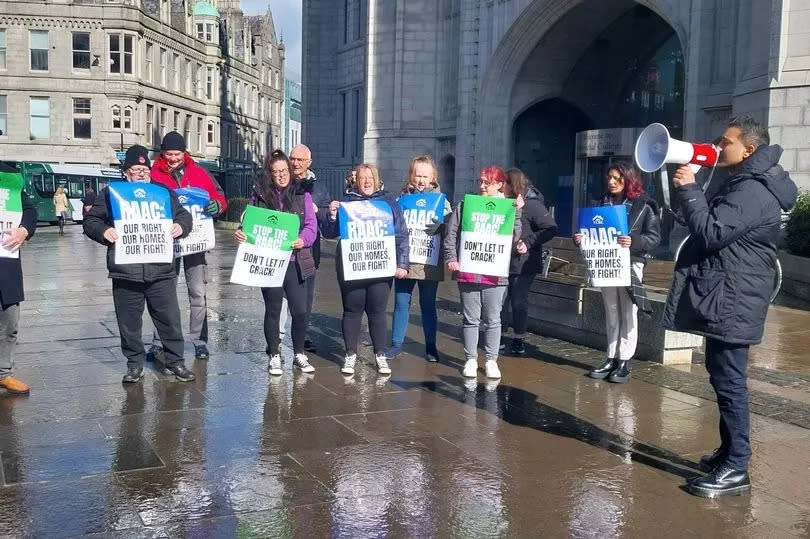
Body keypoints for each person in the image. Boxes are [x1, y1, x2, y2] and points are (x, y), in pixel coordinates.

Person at [664, 116, 797, 498]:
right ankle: (728, 454)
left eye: (726, 142)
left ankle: (737, 467)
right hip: (728, 294)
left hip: (735, 298)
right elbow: (704, 223)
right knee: (722, 376)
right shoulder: (741, 182)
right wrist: (688, 191)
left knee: (730, 382)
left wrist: (691, 189)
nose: (718, 147)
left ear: (749, 150)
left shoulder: (753, 190)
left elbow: (712, 232)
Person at [83, 145, 196, 383]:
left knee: (169, 320)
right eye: (136, 169)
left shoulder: (163, 192)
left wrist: (181, 226)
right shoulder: (111, 193)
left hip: (161, 270)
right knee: (129, 322)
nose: (142, 174)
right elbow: (91, 220)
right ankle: (134, 364)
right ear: (126, 173)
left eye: (146, 169)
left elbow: (184, 216)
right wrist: (104, 231)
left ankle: (176, 361)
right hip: (126, 271)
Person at [574, 161, 660, 383]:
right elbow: (590, 231)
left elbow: (654, 237)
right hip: (607, 263)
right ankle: (611, 356)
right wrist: (580, 238)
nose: (611, 182)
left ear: (628, 179)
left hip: (631, 263)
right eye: (609, 177)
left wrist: (635, 241)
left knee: (628, 311)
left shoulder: (644, 204)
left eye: (617, 178)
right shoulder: (602, 204)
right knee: (611, 310)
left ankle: (625, 360)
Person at [234, 150, 318, 376]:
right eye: (275, 172)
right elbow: (248, 223)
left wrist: (304, 240)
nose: (281, 176)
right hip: (269, 262)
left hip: (294, 260)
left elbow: (311, 225)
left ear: (290, 171)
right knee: (273, 309)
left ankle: (299, 352)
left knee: (300, 310)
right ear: (269, 174)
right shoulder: (260, 194)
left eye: (284, 171)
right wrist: (241, 233)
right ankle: (274, 353)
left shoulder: (303, 194)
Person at [322, 164, 409, 376]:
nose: (367, 182)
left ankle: (380, 355)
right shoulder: (346, 202)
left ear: (377, 180)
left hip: (380, 265)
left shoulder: (389, 203)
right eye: (363, 178)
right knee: (352, 311)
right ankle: (350, 353)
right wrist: (332, 216)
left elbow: (401, 234)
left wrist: (402, 263)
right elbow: (330, 233)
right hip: (353, 266)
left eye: (371, 177)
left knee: (377, 312)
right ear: (356, 181)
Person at [148, 131, 228, 360]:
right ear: (162, 154)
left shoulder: (200, 173)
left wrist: (218, 206)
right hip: (166, 244)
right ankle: (159, 340)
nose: (173, 158)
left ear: (185, 153)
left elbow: (220, 198)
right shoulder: (154, 174)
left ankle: (199, 341)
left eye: (177, 154)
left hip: (196, 242)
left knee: (198, 292)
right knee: (162, 293)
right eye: (169, 154)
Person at [443, 166, 522, 380]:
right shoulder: (466, 204)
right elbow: (452, 233)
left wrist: (518, 213)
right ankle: (470, 358)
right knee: (470, 318)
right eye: (480, 182)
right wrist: (451, 258)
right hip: (468, 270)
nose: (482, 186)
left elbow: (514, 238)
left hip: (495, 273)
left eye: (487, 182)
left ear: (499, 184)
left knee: (493, 319)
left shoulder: (509, 207)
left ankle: (491, 360)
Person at [387, 155, 452, 362]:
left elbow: (453, 226)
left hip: (428, 260)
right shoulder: (401, 199)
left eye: (425, 176)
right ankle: (396, 344)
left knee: (427, 304)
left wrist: (443, 225)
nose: (421, 180)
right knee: (401, 302)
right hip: (405, 259)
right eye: (418, 176)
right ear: (411, 176)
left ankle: (431, 346)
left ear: (433, 177)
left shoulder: (442, 201)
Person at [500, 168, 558, 355]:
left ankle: (518, 338)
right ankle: (499, 334)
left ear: (513, 185)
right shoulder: (503, 202)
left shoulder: (532, 205)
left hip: (523, 262)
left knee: (518, 300)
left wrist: (528, 242)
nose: (502, 187)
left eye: (505, 184)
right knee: (500, 300)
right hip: (501, 259)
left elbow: (550, 228)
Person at [0, 162, 37, 395]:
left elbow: (30, 210)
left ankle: (3, 373)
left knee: (10, 323)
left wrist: (24, 229)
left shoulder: (10, 176)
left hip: (6, 262)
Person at [288, 144, 329, 353]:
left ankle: (302, 337)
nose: (295, 163)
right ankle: (276, 339)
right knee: (279, 296)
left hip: (308, 253)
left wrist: (318, 211)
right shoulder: (281, 182)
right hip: (282, 250)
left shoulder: (319, 189)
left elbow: (327, 223)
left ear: (309, 163)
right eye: (292, 158)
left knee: (306, 298)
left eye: (300, 160)